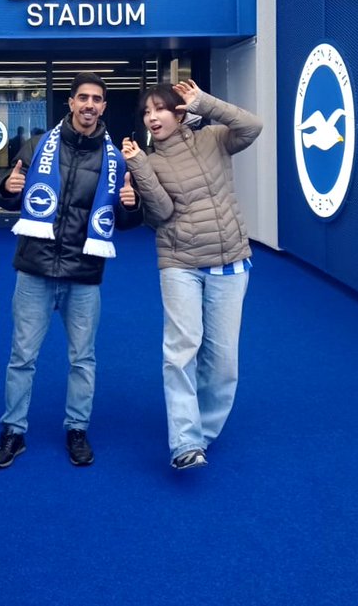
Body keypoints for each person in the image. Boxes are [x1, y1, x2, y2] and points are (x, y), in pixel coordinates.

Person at [0, 72, 141, 469]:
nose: (89, 105)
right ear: (70, 103)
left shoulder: (116, 159)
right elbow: (8, 196)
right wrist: (7, 188)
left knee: (83, 360)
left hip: (84, 274)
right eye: (83, 98)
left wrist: (129, 204)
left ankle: (77, 429)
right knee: (22, 356)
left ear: (104, 106)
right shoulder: (39, 145)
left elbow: (124, 221)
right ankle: (13, 433)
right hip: (34, 270)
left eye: (97, 99)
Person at [120, 79, 263, 470]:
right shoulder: (150, 161)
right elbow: (162, 213)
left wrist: (205, 102)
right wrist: (138, 167)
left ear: (178, 111)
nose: (151, 118)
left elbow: (252, 126)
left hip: (230, 262)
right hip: (180, 262)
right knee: (181, 352)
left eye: (159, 109)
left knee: (222, 362)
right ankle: (185, 442)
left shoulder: (214, 138)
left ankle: (203, 432)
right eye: (146, 112)